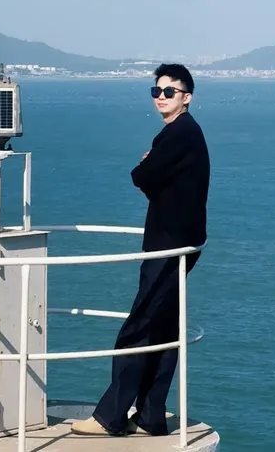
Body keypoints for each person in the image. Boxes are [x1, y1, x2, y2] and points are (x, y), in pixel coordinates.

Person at [70, 63, 210, 438]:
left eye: (169, 91)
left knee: (140, 326)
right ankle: (150, 416)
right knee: (163, 327)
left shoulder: (178, 134)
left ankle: (110, 416)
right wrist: (150, 171)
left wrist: (146, 167)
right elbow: (157, 181)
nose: (161, 97)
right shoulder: (185, 134)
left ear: (186, 97)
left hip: (168, 246)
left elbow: (142, 176)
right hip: (181, 243)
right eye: (156, 91)